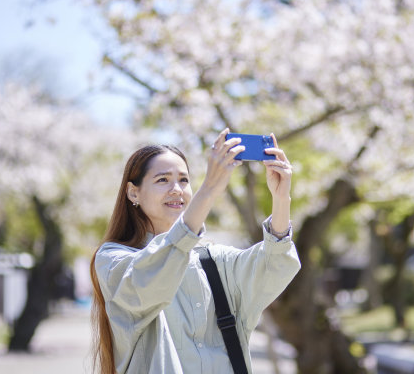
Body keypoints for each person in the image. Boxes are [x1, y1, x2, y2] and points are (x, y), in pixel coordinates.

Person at [89, 128, 300, 374]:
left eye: (184, 180)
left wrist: (281, 198)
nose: (177, 189)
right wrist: (209, 190)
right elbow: (146, 283)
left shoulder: (213, 260)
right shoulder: (114, 261)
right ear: (133, 192)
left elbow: (273, 265)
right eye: (162, 180)